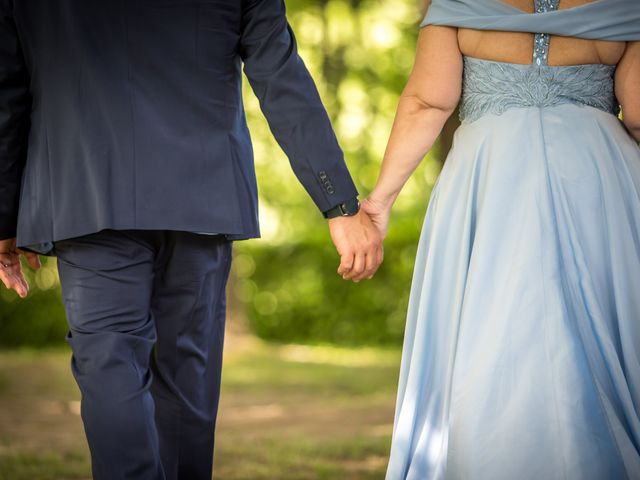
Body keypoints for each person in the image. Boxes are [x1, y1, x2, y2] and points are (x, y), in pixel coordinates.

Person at [0, 1, 383, 479]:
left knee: (110, 370)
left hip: (87, 192)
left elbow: (8, 92)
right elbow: (280, 74)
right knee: (188, 381)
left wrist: (6, 217)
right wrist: (339, 204)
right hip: (201, 196)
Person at [361, 0, 640, 478]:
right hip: (596, 176)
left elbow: (429, 102)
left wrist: (380, 201)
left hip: (490, 177)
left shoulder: (455, 4)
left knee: (487, 319)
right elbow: (636, 114)